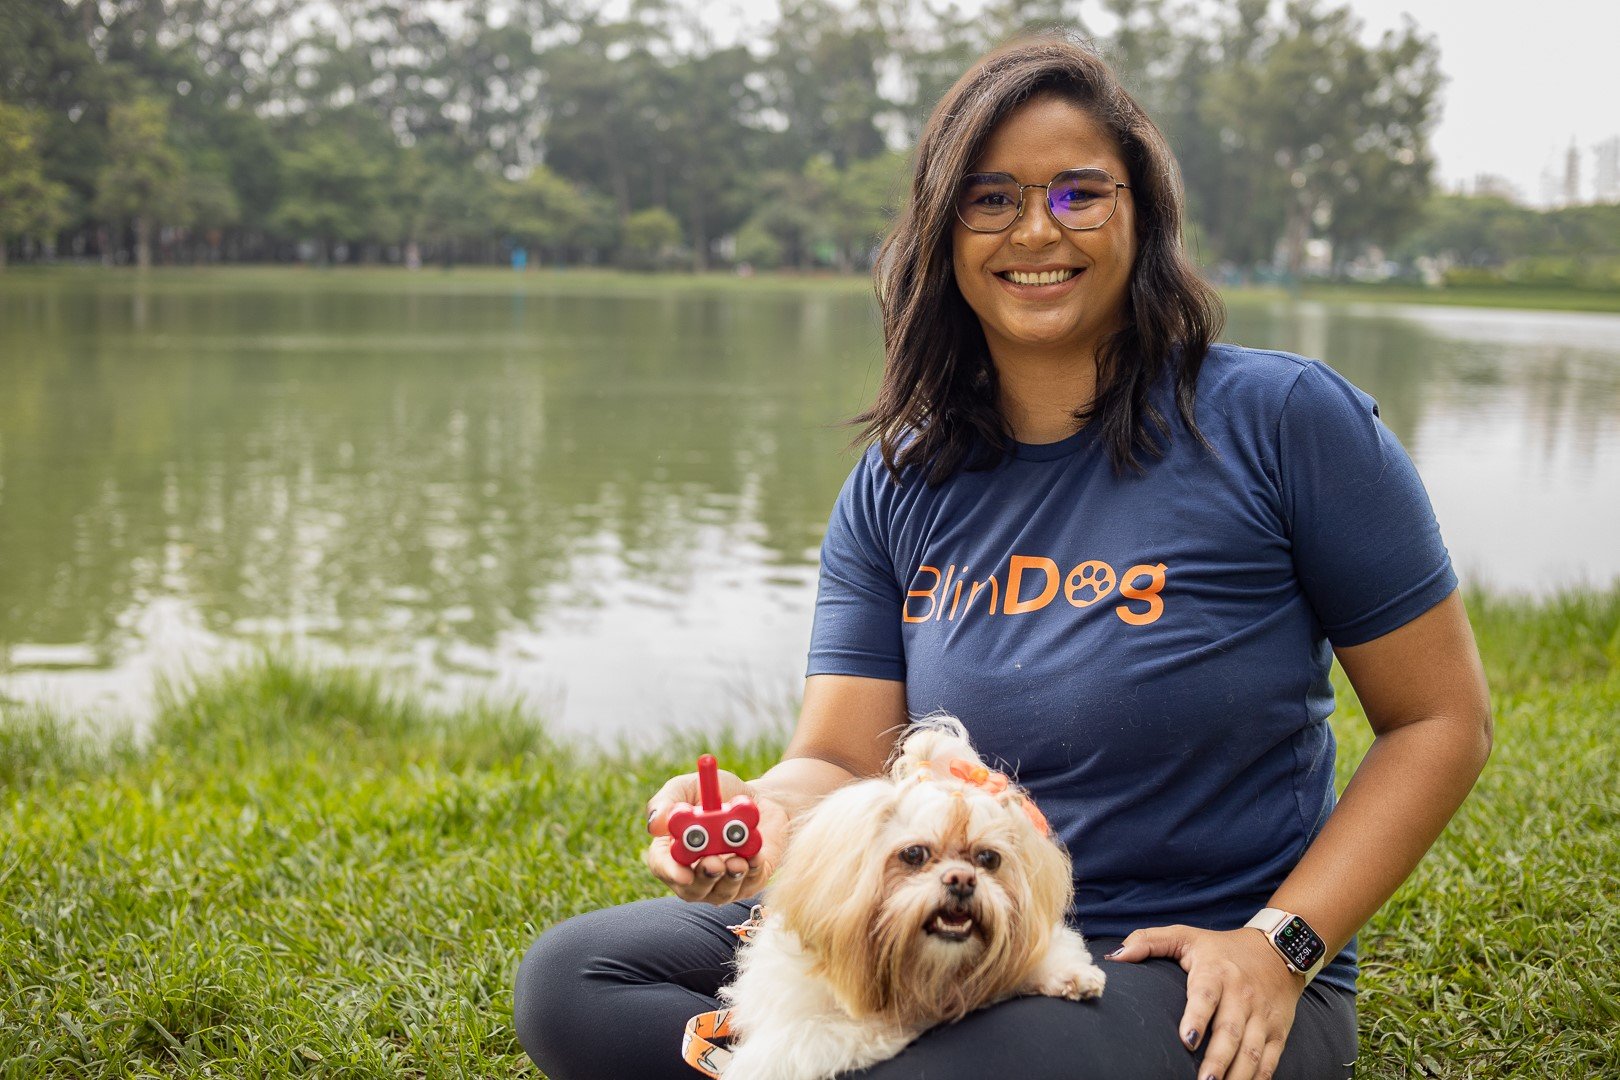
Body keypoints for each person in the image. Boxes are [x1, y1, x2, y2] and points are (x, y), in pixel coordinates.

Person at [513, 34, 1492, 1080]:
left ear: (1141, 216)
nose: (1038, 229)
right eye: (992, 199)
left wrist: (1283, 944)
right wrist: (754, 816)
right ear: (944, 232)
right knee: (577, 979)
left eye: (1080, 194)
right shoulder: (900, 481)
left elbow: (1442, 720)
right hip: (919, 922)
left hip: (1183, 960)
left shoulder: (1284, 421)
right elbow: (840, 762)